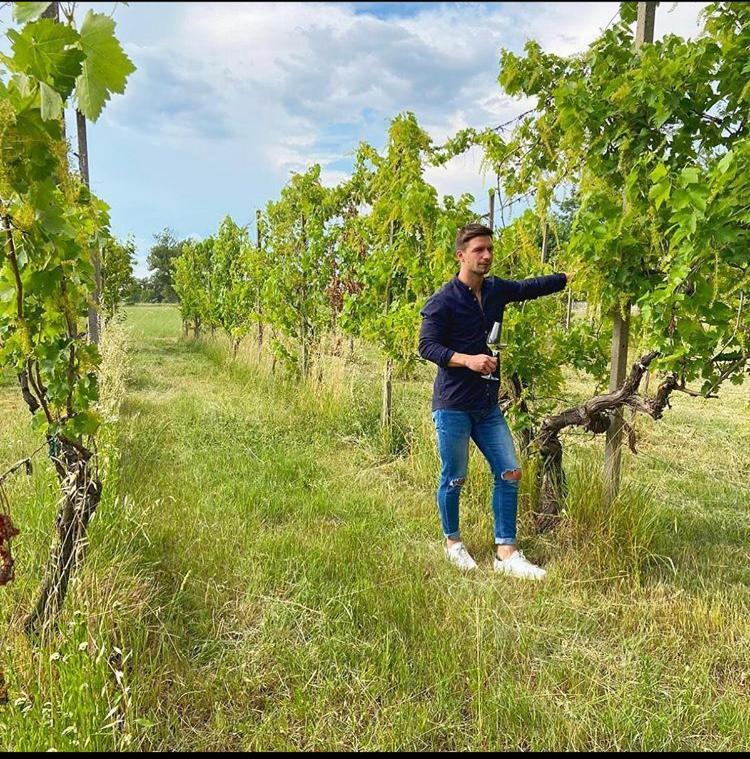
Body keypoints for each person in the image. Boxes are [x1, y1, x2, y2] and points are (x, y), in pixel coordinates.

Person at [418, 223, 570, 579]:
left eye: (489, 249)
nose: (486, 256)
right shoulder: (443, 301)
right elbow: (426, 346)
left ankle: (506, 552)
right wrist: (468, 359)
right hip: (453, 404)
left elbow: (529, 288)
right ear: (461, 255)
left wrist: (564, 278)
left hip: (487, 405)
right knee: (454, 477)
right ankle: (453, 544)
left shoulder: (496, 290)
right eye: (478, 250)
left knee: (510, 470)